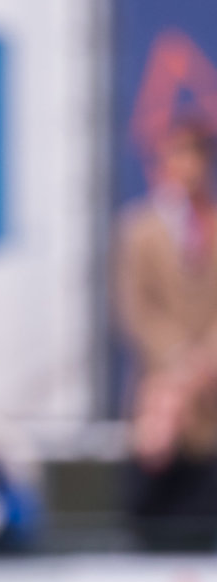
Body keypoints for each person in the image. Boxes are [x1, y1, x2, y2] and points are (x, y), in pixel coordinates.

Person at [114, 117, 217, 550]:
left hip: (210, 402)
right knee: (151, 521)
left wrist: (204, 363)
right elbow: (134, 307)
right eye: (178, 154)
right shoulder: (139, 229)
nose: (186, 165)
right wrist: (177, 361)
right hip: (159, 400)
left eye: (195, 155)